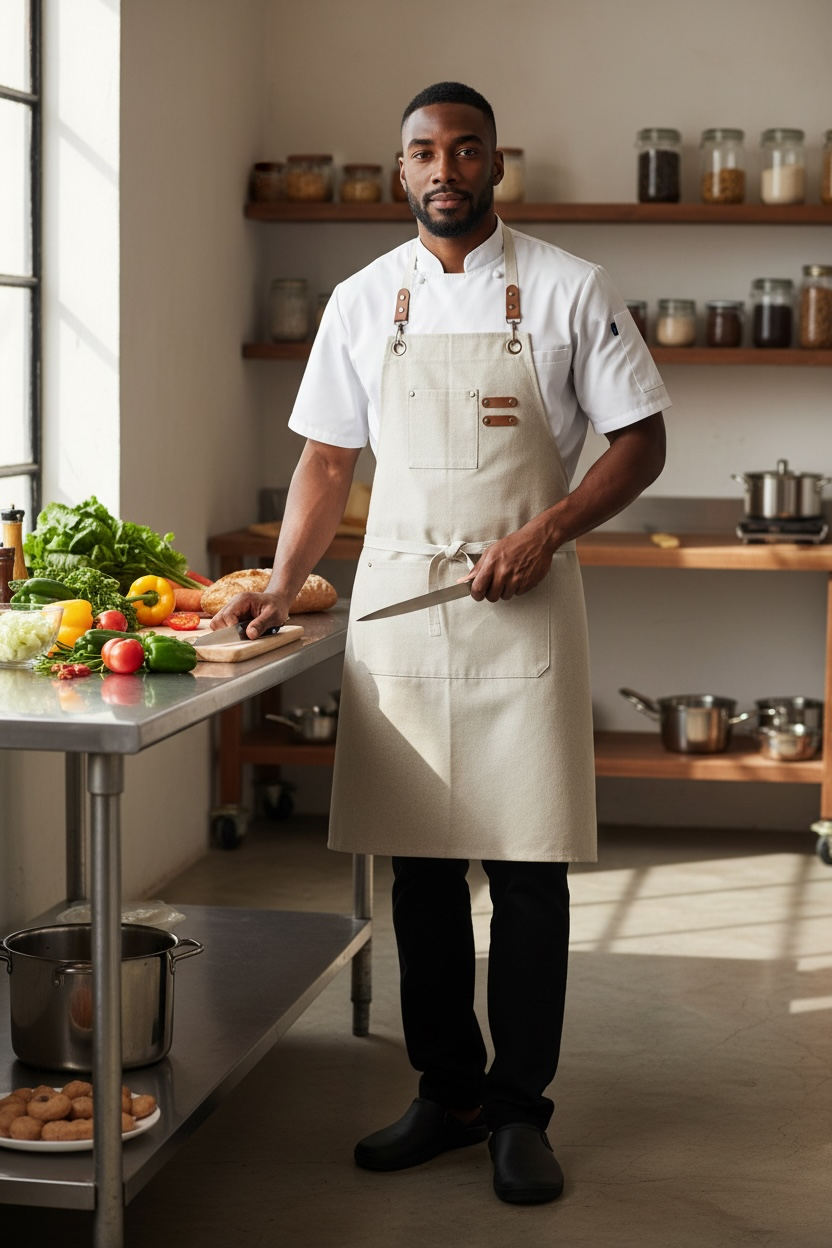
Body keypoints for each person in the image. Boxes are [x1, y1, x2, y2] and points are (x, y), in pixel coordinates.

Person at [211, 81, 668, 1205]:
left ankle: (520, 1112)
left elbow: (641, 442)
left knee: (526, 871)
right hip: (401, 607)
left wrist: (548, 528)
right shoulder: (366, 302)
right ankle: (446, 1091)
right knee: (416, 871)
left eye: (466, 150)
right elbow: (326, 462)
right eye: (424, 152)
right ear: (399, 170)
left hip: (525, 604)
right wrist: (279, 584)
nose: (446, 169)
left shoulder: (567, 289)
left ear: (495, 166)